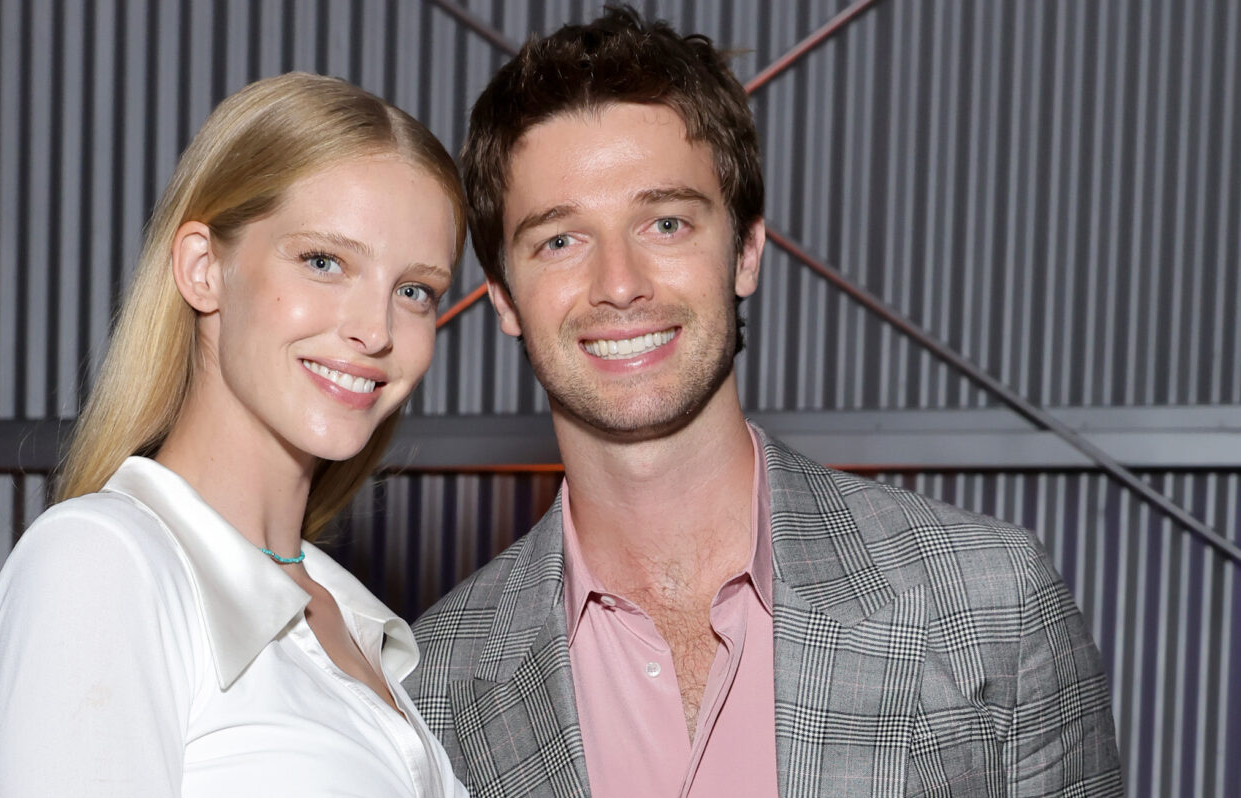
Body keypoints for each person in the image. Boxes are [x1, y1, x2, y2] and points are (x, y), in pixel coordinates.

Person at [404, 8, 1122, 797]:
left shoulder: (990, 600)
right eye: (560, 240)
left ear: (746, 251)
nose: (619, 284)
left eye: (665, 222)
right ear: (504, 298)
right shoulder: (432, 690)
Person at [0, 72, 469, 797]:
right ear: (203, 268)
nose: (376, 330)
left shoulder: (354, 622)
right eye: (324, 262)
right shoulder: (101, 563)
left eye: (414, 290)